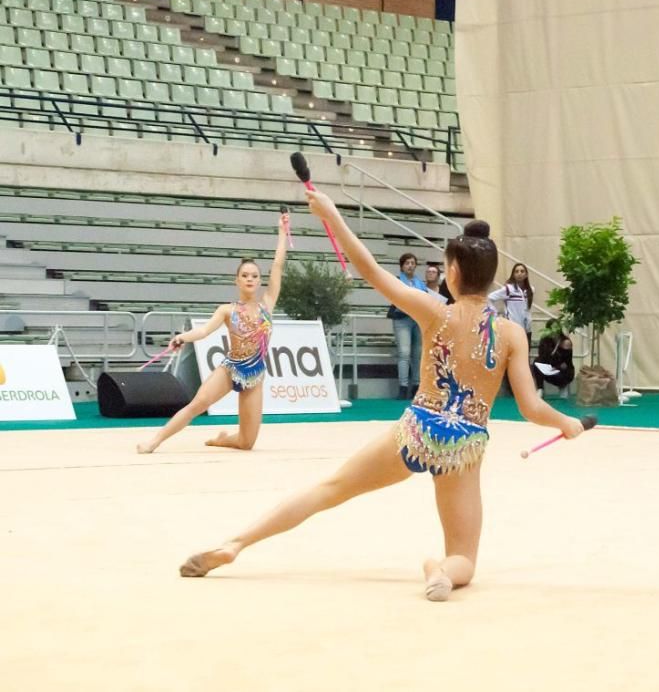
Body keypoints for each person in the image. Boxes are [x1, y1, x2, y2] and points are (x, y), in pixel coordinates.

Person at [178, 193, 585, 602]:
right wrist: (565, 423)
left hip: (418, 429)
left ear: (454, 273)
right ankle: (442, 571)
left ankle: (237, 543)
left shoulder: (434, 311)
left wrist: (333, 217)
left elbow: (371, 271)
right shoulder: (511, 333)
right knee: (463, 556)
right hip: (463, 445)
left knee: (330, 488)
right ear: (492, 276)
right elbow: (531, 406)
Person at [136, 211, 289, 454]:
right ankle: (154, 441)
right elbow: (205, 330)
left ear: (260, 281)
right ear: (236, 280)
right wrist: (183, 337)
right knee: (198, 404)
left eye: (254, 276)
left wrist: (282, 232)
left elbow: (278, 264)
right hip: (232, 368)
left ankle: (221, 439)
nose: (250, 279)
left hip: (255, 375)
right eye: (245, 275)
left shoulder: (267, 304)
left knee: (247, 443)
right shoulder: (227, 310)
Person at [388, 252, 428, 400]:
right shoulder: (397, 281)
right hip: (402, 319)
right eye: (407, 263)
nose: (410, 266)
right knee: (404, 353)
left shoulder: (420, 283)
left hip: (417, 319)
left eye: (412, 263)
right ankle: (403, 386)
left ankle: (417, 385)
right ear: (402, 266)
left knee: (417, 354)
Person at [488, 263, 534, 348]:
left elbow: (527, 309)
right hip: (512, 327)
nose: (519, 273)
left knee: (525, 354)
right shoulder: (509, 289)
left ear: (526, 274)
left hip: (526, 329)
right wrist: (494, 313)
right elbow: (490, 297)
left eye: (522, 271)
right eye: (516, 271)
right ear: (513, 274)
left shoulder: (530, 290)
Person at [532, 331, 575, 399]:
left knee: (562, 372)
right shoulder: (545, 341)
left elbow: (566, 364)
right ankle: (540, 389)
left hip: (563, 372)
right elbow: (542, 356)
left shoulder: (565, 342)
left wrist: (556, 367)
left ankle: (563, 387)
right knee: (536, 362)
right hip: (550, 369)